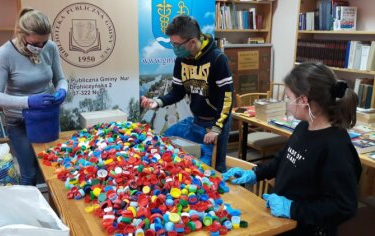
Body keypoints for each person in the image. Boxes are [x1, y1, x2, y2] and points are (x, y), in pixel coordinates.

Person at [223, 62, 362, 235]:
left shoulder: (336, 147)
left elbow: (344, 206)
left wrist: (292, 209)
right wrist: (255, 173)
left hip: (306, 229)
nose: (288, 103)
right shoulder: (304, 126)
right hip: (283, 222)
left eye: (288, 97)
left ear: (303, 100)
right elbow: (284, 160)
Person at [140, 15, 233, 173]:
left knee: (215, 169)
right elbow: (177, 92)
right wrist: (157, 102)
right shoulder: (181, 60)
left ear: (192, 41)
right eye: (172, 44)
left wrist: (217, 129)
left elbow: (227, 100)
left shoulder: (218, 59)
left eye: (176, 44)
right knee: (179, 156)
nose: (174, 48)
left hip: (217, 122)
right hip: (197, 119)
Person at [0, 8, 68, 185]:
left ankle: (53, 210)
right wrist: (28, 102)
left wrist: (62, 90)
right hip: (19, 122)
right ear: (21, 34)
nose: (40, 47)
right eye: (36, 43)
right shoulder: (4, 54)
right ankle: (29, 212)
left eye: (44, 42)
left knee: (51, 167)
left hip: (46, 118)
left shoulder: (50, 48)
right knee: (29, 172)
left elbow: (60, 79)